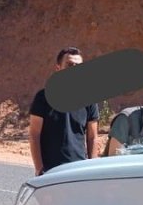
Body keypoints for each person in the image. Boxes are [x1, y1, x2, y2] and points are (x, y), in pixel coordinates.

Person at [29, 47, 99, 175]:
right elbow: (34, 134)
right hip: (51, 170)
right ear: (58, 68)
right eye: (69, 65)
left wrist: (92, 167)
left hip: (79, 168)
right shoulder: (43, 97)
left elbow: (92, 137)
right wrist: (39, 168)